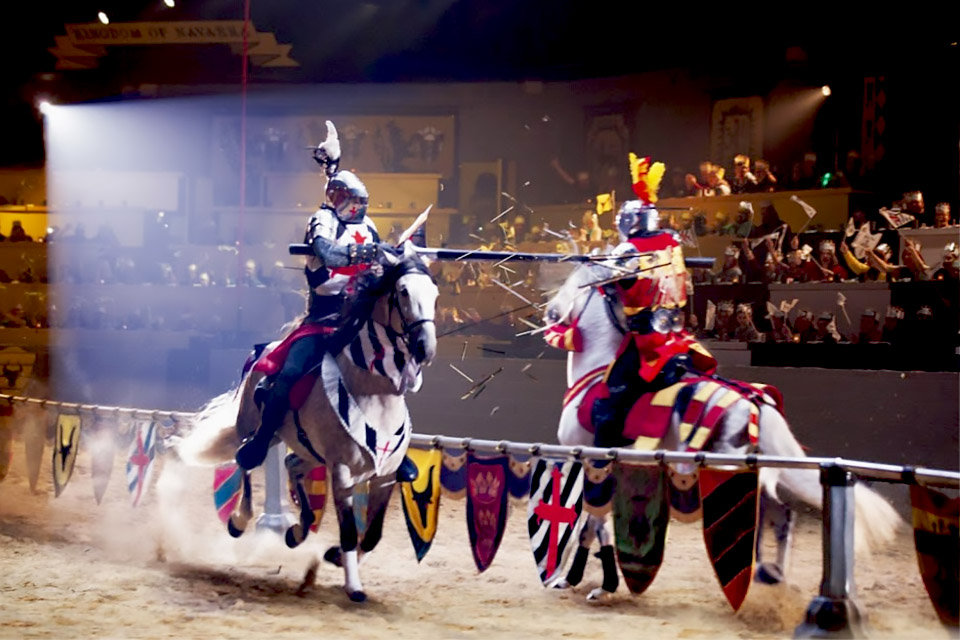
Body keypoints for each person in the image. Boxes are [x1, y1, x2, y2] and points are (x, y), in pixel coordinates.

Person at [236, 121, 400, 471]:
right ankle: (262, 437)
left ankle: (394, 448)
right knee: (290, 373)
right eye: (352, 202)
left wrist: (390, 259)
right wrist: (367, 254)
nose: (357, 208)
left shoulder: (367, 226)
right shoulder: (321, 220)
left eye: (361, 203)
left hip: (358, 318)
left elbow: (377, 257)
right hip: (322, 320)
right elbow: (327, 253)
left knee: (393, 366)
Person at [587, 155, 717, 448]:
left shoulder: (628, 250)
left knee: (611, 398)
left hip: (647, 341)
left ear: (631, 221)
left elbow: (600, 280)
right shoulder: (672, 244)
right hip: (677, 336)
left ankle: (606, 455)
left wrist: (592, 261)